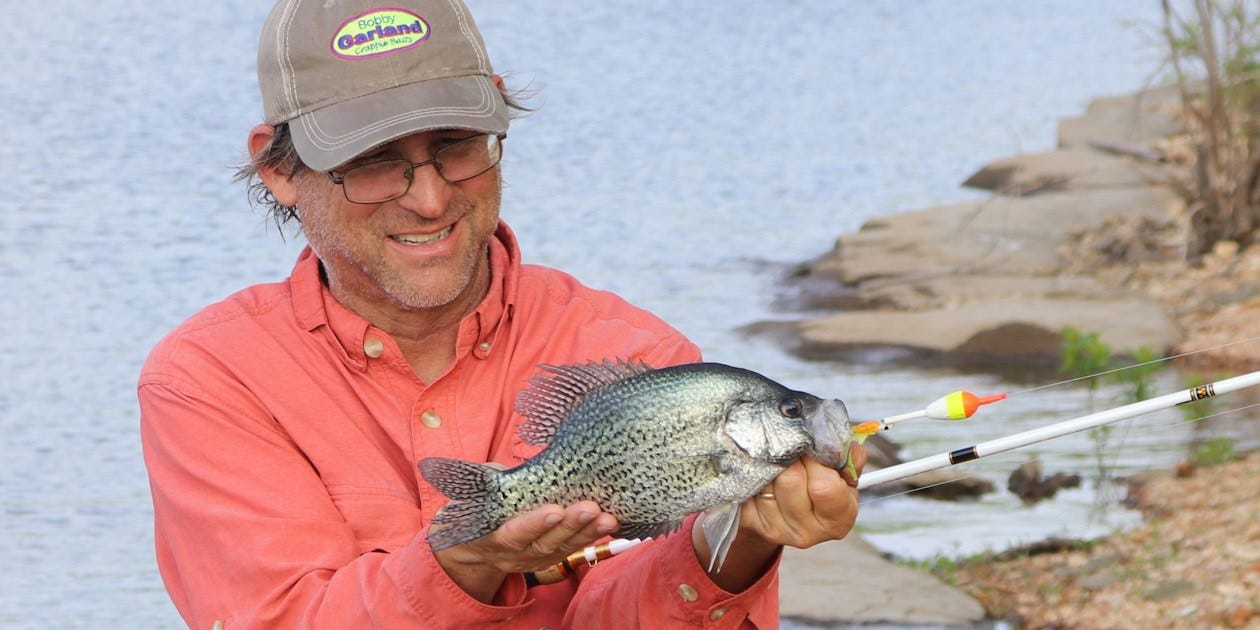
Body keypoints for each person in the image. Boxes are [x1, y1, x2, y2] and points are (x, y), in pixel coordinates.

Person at [138, 0, 867, 627]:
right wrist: (462, 564)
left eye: (456, 147)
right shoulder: (210, 380)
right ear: (278, 170)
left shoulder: (640, 356)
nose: (428, 199)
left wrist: (739, 549)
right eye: (371, 161)